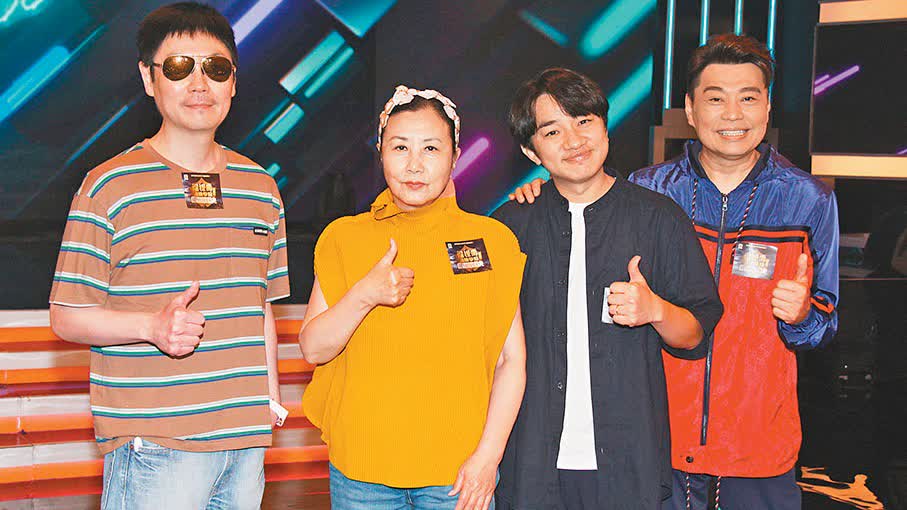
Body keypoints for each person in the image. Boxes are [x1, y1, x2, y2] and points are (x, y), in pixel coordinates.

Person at [510, 35, 840, 509]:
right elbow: (582, 196)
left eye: (749, 98)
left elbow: (825, 326)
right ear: (690, 109)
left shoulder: (809, 200)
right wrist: (542, 193)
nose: (733, 115)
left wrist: (802, 315)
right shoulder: (653, 190)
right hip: (659, 437)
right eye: (715, 99)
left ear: (768, 107)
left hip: (758, 441)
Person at [48, 3, 289, 509]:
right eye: (179, 67)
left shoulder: (261, 188)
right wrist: (151, 327)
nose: (199, 83)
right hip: (155, 443)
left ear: (234, 81)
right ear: (148, 78)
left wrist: (268, 399)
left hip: (245, 442)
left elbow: (260, 306)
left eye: (216, 68)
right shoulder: (108, 185)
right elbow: (67, 316)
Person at [492, 68, 723, 509]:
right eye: (552, 131)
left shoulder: (658, 218)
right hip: (531, 463)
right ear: (531, 150)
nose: (574, 140)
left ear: (604, 125)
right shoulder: (510, 228)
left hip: (626, 463)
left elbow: (695, 335)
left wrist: (655, 310)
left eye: (584, 121)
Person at [299, 85, 527, 510]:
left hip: (457, 475)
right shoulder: (344, 237)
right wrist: (365, 295)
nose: (414, 165)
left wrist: (488, 457)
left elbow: (511, 361)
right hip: (362, 472)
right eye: (400, 147)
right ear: (381, 152)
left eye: (431, 148)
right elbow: (313, 349)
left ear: (455, 156)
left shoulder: (491, 240)